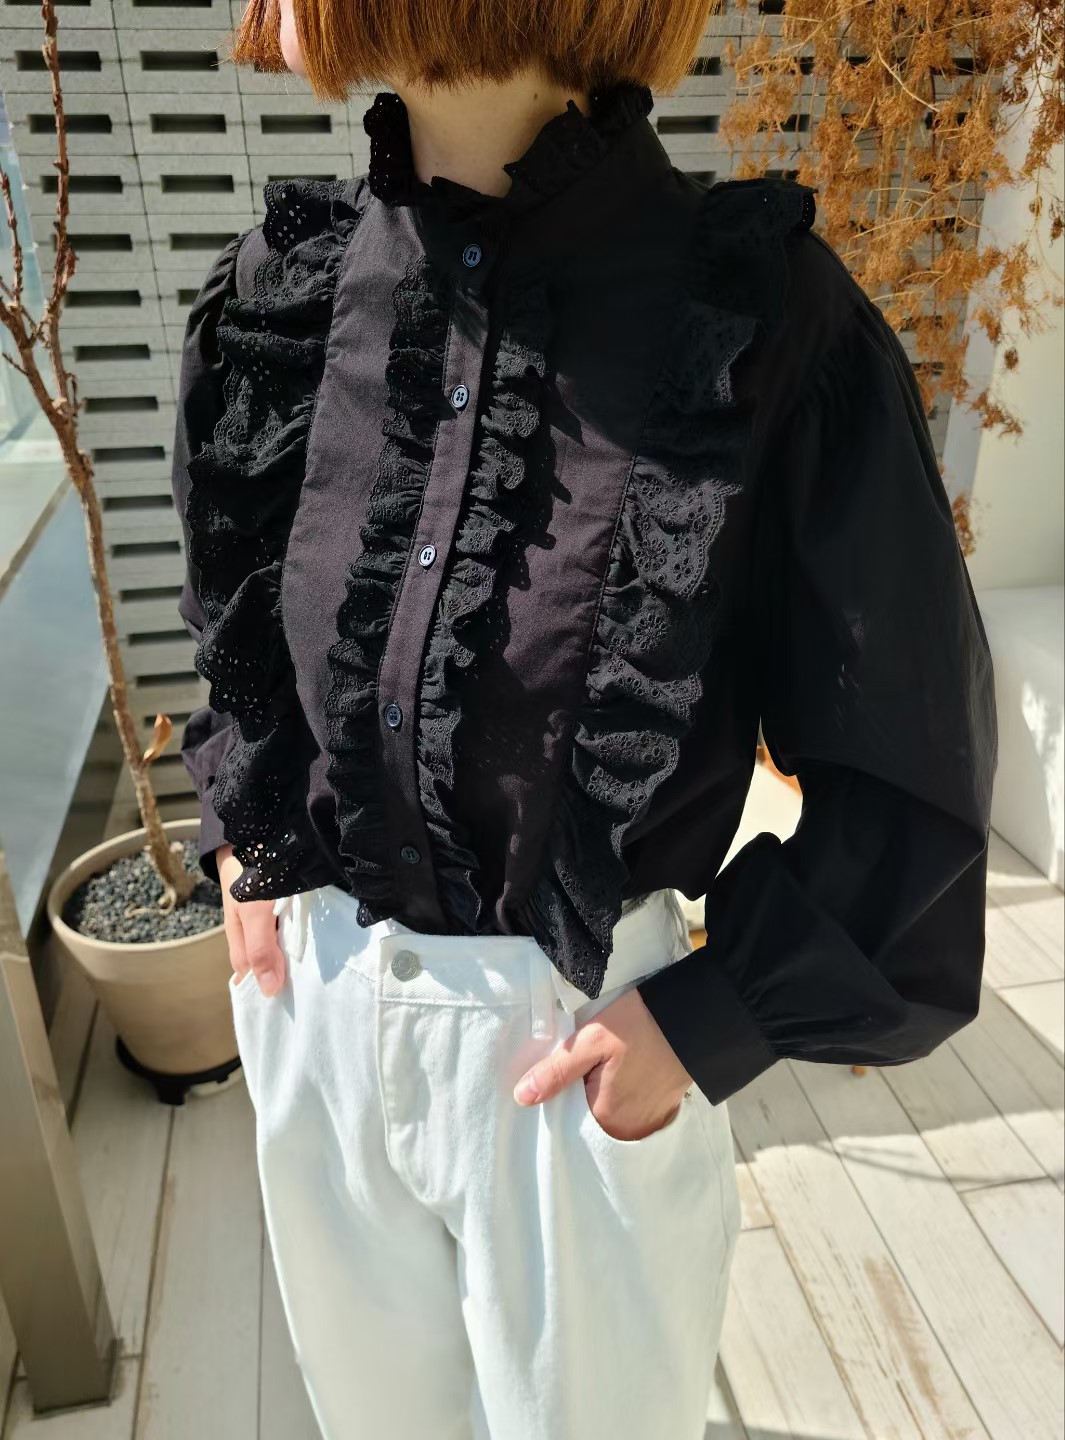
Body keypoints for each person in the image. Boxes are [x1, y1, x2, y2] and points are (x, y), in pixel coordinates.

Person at [170, 1, 999, 1435]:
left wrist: (705, 1019)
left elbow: (908, 755)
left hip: (578, 1045)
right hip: (318, 1016)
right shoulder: (285, 296)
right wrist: (246, 833)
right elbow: (239, 620)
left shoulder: (754, 317)